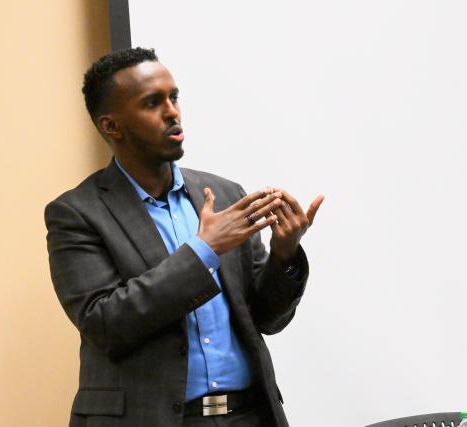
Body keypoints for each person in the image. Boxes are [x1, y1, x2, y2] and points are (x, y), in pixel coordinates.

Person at [44, 47, 324, 427]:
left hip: (249, 415)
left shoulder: (225, 194)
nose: (172, 111)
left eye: (174, 97)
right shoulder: (77, 213)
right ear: (112, 126)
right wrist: (204, 250)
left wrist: (284, 255)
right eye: (152, 102)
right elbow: (106, 324)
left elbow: (266, 318)